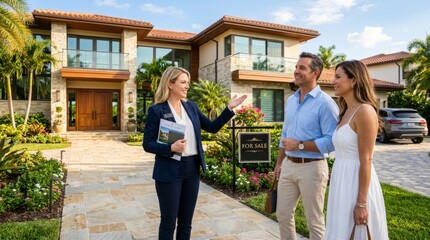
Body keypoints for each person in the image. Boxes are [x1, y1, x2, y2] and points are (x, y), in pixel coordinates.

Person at [143, 66, 247, 240]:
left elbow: (212, 127)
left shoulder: (191, 107)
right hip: (169, 171)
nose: (187, 86)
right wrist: (170, 148)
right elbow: (147, 144)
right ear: (170, 84)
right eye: (183, 82)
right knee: (168, 223)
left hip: (192, 169)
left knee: (186, 222)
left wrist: (229, 109)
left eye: (188, 83)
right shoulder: (157, 110)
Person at [274, 52, 339, 240]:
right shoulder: (291, 100)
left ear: (315, 73)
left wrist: (300, 145)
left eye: (302, 68)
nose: (296, 71)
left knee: (314, 220)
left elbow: (331, 141)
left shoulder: (326, 104)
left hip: (313, 168)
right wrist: (279, 163)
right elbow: (285, 135)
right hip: (288, 165)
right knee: (283, 214)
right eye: (296, 67)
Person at [325, 60, 389, 239]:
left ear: (354, 80)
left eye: (338, 77)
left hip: (356, 182)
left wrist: (361, 202)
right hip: (341, 178)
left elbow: (366, 160)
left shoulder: (365, 111)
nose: (333, 82)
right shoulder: (346, 111)